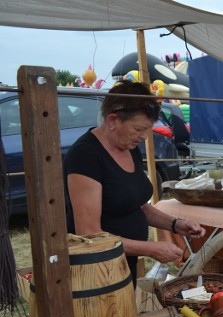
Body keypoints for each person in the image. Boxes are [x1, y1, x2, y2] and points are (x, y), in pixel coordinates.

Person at [64, 81, 205, 281]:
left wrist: (175, 224)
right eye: (139, 129)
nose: (144, 137)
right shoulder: (85, 156)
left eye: (147, 129)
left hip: (123, 263)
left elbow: (139, 207)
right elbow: (89, 234)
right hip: (96, 271)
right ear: (113, 120)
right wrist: (149, 249)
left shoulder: (129, 148)